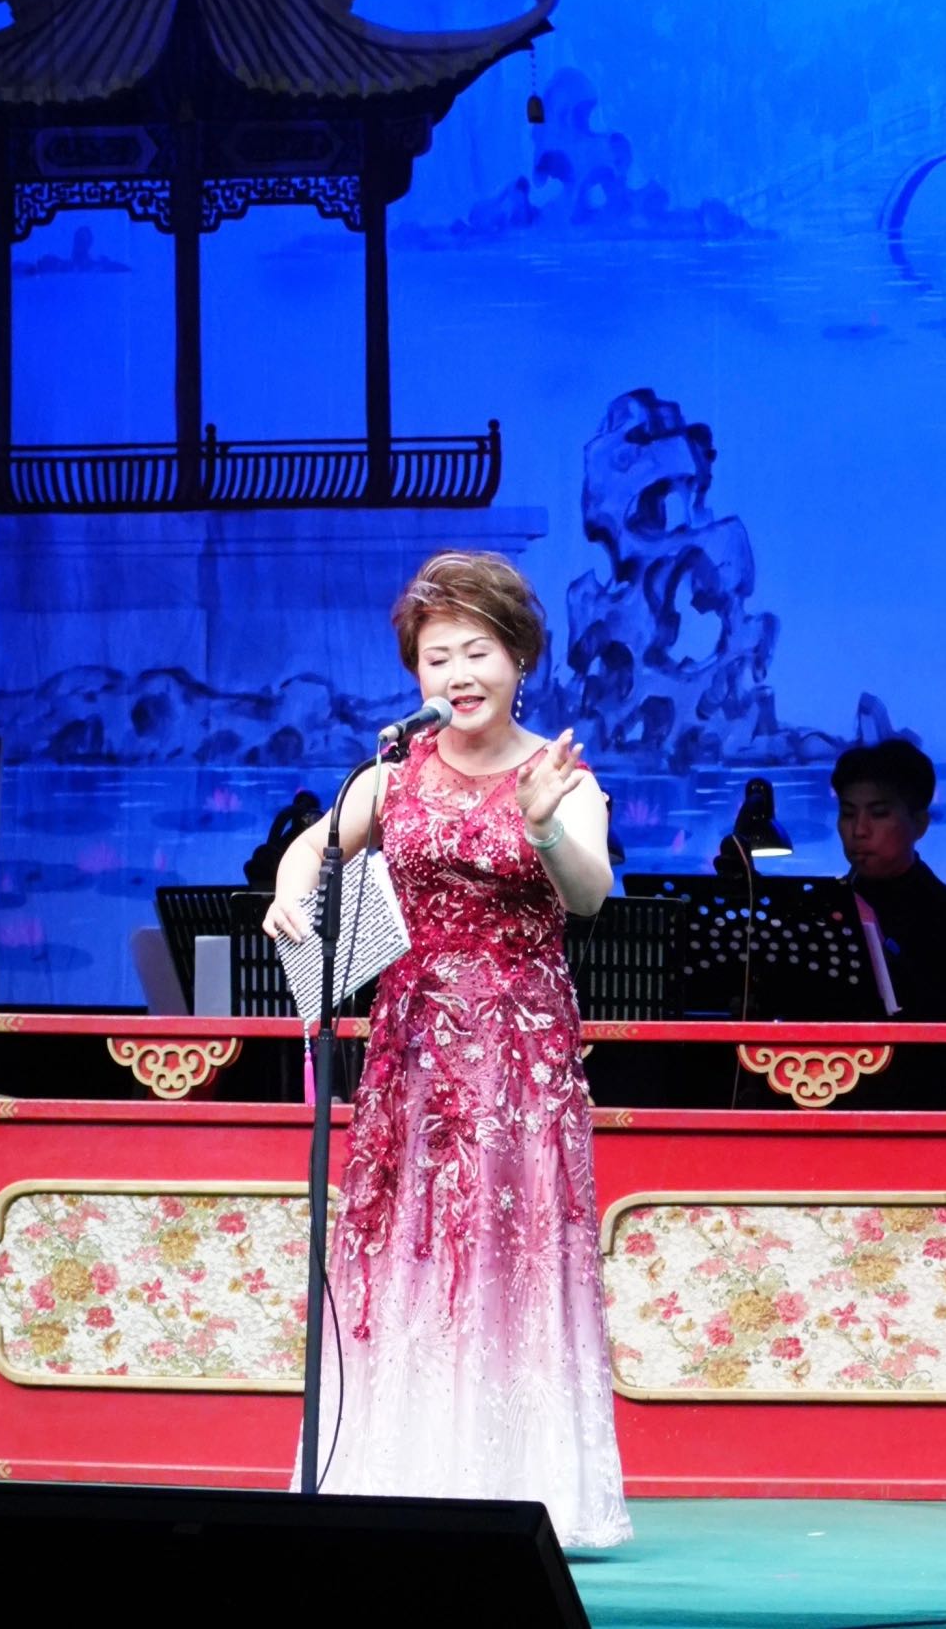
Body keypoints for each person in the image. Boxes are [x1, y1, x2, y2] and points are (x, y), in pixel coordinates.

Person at [263, 551, 630, 1544]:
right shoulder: (392, 774)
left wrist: (543, 824)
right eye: (437, 658)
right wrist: (291, 894)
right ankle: (399, 1469)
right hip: (412, 1047)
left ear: (518, 657)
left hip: (519, 1055)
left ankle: (525, 1481)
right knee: (413, 1240)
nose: (458, 674)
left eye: (477, 652)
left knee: (511, 1244)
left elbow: (589, 893)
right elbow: (312, 845)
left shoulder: (559, 774)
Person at [833, 737, 946, 1106]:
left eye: (878, 813)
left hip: (923, 1102)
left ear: (920, 824)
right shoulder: (823, 912)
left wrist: (882, 949)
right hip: (821, 1090)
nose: (859, 830)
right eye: (848, 814)